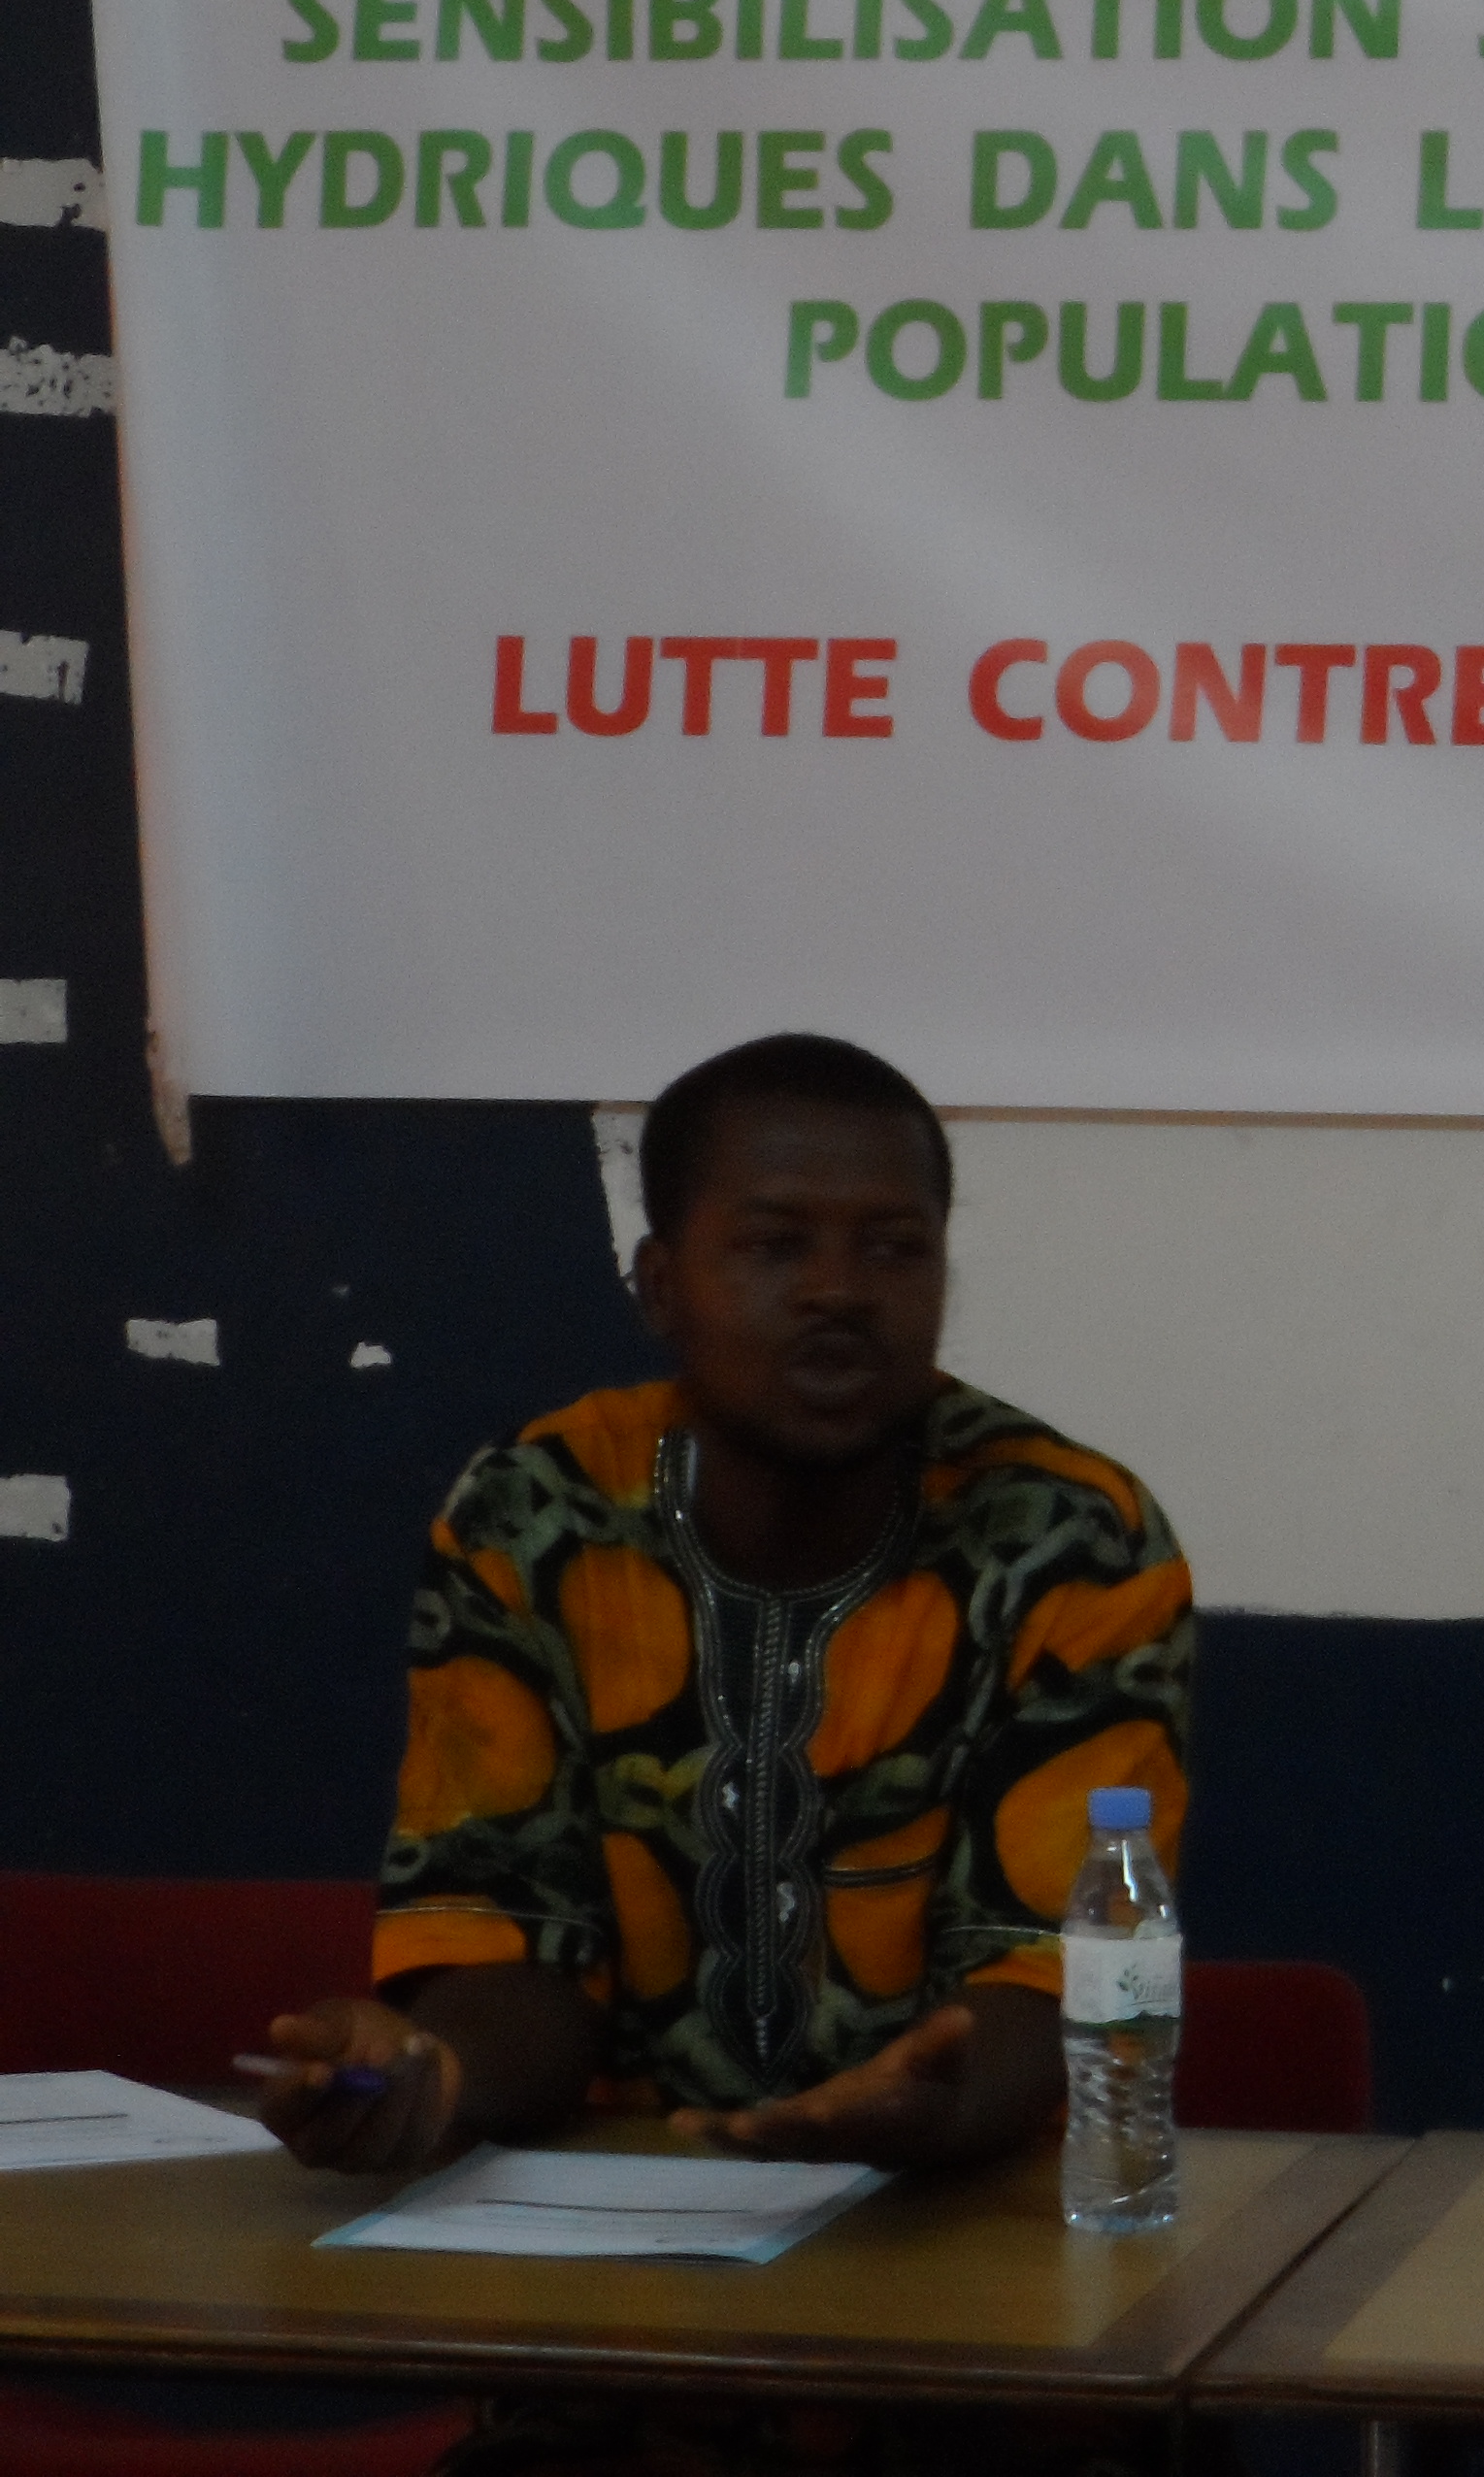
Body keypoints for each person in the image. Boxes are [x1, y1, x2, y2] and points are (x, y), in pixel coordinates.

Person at [254, 1034, 1193, 2472]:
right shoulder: (535, 1515)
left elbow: (1050, 1979)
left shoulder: (1067, 1537)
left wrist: (939, 2098)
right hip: (617, 2318)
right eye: (773, 1244)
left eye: (894, 1247)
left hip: (976, 2310)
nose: (839, 1290)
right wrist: (430, 2071)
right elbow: (514, 1938)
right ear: (658, 1285)